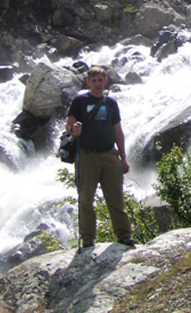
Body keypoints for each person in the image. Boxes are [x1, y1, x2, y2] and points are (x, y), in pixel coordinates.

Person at [66, 65, 134, 249]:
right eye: (93, 80)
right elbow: (69, 126)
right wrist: (75, 130)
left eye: (100, 80)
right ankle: (88, 237)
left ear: (105, 81)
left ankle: (124, 235)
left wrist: (123, 157)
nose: (97, 84)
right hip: (87, 155)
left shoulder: (111, 103)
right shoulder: (79, 101)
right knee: (86, 199)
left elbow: (117, 131)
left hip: (109, 154)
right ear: (88, 82)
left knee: (116, 199)